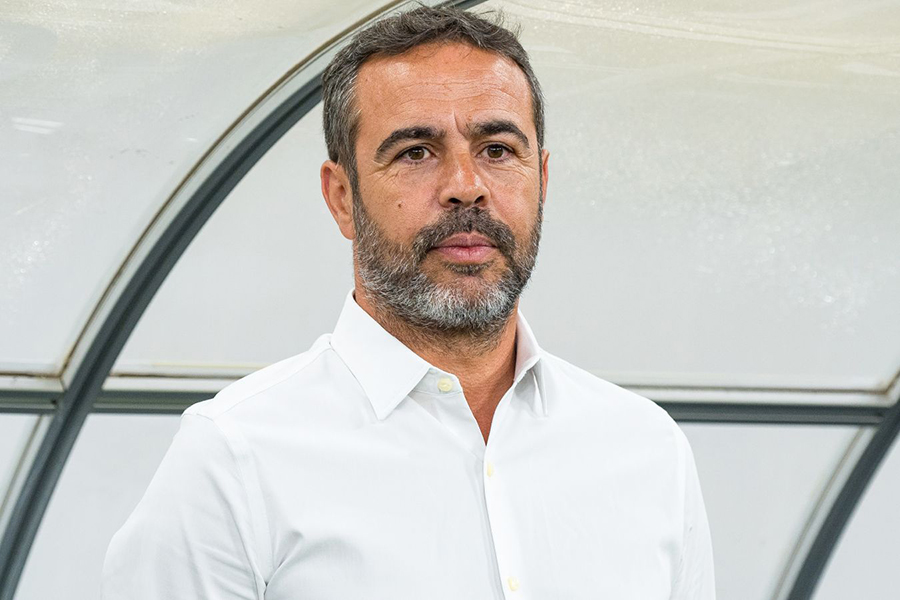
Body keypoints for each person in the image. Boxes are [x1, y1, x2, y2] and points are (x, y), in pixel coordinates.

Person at [102, 6, 715, 599]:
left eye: (498, 149)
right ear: (342, 197)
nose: (466, 187)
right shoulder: (235, 459)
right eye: (415, 152)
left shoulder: (646, 450)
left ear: (543, 179)